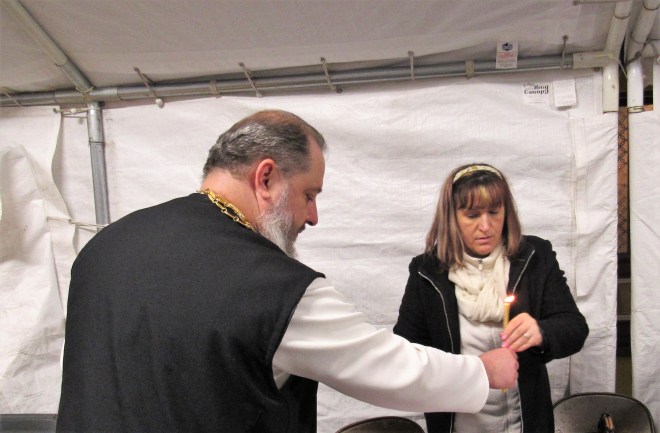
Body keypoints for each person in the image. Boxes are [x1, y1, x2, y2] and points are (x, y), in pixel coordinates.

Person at [57, 112, 518, 433]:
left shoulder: (104, 248)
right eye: (309, 195)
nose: (312, 216)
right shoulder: (269, 286)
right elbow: (383, 365)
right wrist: (480, 371)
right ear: (266, 178)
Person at [393, 163, 589, 433]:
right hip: (459, 423)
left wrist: (542, 331)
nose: (485, 226)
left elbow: (575, 328)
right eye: (472, 215)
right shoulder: (426, 272)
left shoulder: (535, 256)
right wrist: (468, 371)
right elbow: (407, 353)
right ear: (451, 217)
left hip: (525, 424)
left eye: (494, 212)